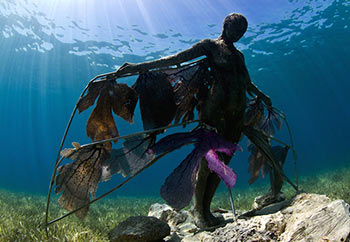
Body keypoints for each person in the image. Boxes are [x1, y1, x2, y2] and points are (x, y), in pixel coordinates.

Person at [116, 13, 277, 228]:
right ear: (225, 26)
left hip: (236, 114)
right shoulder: (210, 46)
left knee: (222, 164)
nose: (239, 34)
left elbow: (246, 82)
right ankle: (199, 212)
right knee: (209, 161)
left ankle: (207, 209)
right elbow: (176, 59)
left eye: (243, 31)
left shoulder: (239, 56)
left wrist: (262, 96)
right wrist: (137, 67)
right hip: (215, 111)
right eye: (236, 28)